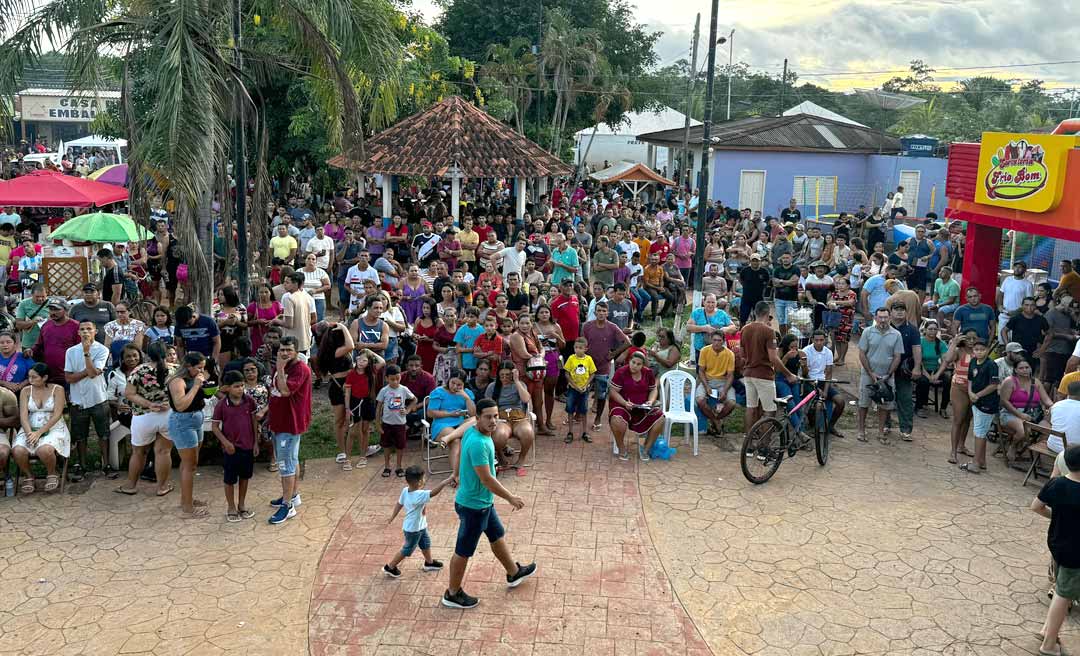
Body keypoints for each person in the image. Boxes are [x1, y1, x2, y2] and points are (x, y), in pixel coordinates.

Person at [440, 400, 536, 610]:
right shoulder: (479, 443)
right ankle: (452, 593)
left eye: (495, 416)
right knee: (463, 551)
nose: (493, 421)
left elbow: (463, 433)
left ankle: (513, 572)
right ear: (478, 418)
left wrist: (456, 472)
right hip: (474, 506)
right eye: (488, 417)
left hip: (482, 502)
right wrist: (510, 497)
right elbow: (487, 479)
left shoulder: (473, 432)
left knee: (496, 534)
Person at [1030, 445, 1080, 656]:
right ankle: (1049, 645)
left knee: (1061, 587)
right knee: (1063, 595)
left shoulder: (1056, 483)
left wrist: (1056, 517)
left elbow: (1036, 506)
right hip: (1076, 552)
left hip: (1057, 544)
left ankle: (1046, 630)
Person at [117, 342, 175, 497]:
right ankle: (162, 487)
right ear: (165, 353)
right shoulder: (175, 369)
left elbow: (129, 394)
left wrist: (149, 404)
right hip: (168, 416)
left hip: (143, 417)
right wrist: (168, 404)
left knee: (138, 452)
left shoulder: (138, 370)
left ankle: (131, 485)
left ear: (147, 354)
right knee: (163, 452)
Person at [267, 336, 313, 524]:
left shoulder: (300, 369)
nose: (285, 353)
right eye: (281, 350)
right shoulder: (282, 367)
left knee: (285, 463)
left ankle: (287, 506)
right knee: (291, 459)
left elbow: (285, 391)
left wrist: (279, 366)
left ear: (296, 351)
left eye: (289, 350)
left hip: (290, 423)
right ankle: (293, 495)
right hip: (279, 421)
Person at [383, 465, 455, 578]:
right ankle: (390, 566)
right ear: (419, 481)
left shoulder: (405, 490)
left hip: (419, 526)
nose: (425, 480)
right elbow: (434, 492)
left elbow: (399, 504)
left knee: (425, 543)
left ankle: (429, 562)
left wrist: (393, 516)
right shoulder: (419, 495)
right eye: (423, 478)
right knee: (407, 549)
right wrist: (446, 481)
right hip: (413, 529)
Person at [63, 320, 112, 481]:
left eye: (88, 329)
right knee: (80, 435)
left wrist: (86, 353)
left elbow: (93, 373)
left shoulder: (102, 349)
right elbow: (69, 377)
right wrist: (87, 370)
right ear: (78, 332)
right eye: (82, 329)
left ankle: (106, 464)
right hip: (78, 400)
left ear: (95, 331)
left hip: (98, 398)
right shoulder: (71, 351)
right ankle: (82, 466)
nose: (85, 332)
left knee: (103, 433)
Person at [742, 301, 797, 439]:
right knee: (770, 411)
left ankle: (749, 444)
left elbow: (742, 354)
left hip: (748, 374)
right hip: (764, 375)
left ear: (755, 312)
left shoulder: (745, 329)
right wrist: (788, 374)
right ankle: (764, 447)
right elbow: (773, 358)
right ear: (767, 314)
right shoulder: (769, 331)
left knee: (751, 408)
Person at [11, 364, 66, 493]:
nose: (30, 380)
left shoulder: (58, 389)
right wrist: (30, 433)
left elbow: (58, 414)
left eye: (34, 377)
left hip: (53, 425)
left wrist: (39, 432)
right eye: (29, 377)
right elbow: (23, 416)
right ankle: (28, 475)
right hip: (30, 425)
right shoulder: (25, 391)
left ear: (45, 377)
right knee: (18, 450)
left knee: (44, 450)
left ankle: (52, 473)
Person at [212, 370, 259, 522]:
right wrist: (226, 443)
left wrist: (256, 442)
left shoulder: (249, 401)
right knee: (230, 479)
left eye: (242, 385)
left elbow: (254, 421)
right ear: (227, 388)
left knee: (245, 477)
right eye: (236, 386)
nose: (240, 389)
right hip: (230, 449)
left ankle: (242, 505)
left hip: (247, 446)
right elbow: (215, 427)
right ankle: (231, 507)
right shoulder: (221, 405)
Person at [167, 352, 210, 518]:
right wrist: (196, 386)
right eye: (198, 367)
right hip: (182, 422)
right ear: (188, 367)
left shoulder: (195, 378)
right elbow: (180, 405)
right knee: (189, 465)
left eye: (203, 367)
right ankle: (187, 508)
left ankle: (187, 498)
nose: (201, 370)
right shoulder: (177, 381)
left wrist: (205, 388)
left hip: (196, 419)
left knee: (190, 463)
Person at [856, 308, 904, 444]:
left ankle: (881, 432)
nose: (883, 320)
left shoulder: (896, 334)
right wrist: (871, 373)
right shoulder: (867, 332)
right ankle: (861, 430)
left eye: (885, 317)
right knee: (863, 403)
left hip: (887, 376)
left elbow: (897, 356)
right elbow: (862, 354)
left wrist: (888, 374)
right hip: (868, 374)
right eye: (880, 317)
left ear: (890, 318)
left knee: (885, 404)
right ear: (875, 318)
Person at [608, 351, 665, 461]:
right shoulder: (621, 372)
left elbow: (653, 389)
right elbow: (613, 391)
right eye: (633, 362)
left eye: (639, 364)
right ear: (629, 361)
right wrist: (625, 403)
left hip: (641, 407)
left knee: (660, 418)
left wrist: (650, 401)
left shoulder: (647, 373)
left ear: (642, 365)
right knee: (617, 419)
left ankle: (646, 449)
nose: (635, 366)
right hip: (623, 405)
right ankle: (621, 448)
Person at [317, 310, 356, 468]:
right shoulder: (336, 352)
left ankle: (351, 448)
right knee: (340, 420)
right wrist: (343, 326)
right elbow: (351, 345)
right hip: (340, 387)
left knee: (351, 420)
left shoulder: (333, 350)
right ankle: (342, 450)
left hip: (347, 386)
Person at [998, 358, 1052, 464]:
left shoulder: (1036, 382)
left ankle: (1037, 456)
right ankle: (1013, 446)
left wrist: (1055, 407)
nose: (1024, 370)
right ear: (1016, 370)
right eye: (1021, 368)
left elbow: (1046, 400)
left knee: (1048, 431)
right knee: (1023, 431)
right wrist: (1020, 414)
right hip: (1011, 413)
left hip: (1033, 415)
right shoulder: (1009, 381)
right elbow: (1004, 401)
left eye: (1027, 367)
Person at [484, 361, 535, 472]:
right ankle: (501, 456)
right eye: (502, 375)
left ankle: (521, 459)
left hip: (518, 418)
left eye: (507, 375)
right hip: (502, 419)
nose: (504, 378)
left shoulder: (519, 384)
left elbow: (526, 399)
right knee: (499, 436)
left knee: (527, 432)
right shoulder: (493, 387)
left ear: (513, 374)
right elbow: (487, 405)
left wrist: (516, 381)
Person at [426, 369, 476, 479]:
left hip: (461, 423)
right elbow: (430, 413)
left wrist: (466, 398)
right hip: (442, 424)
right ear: (449, 380)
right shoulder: (438, 392)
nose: (455, 386)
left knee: (476, 420)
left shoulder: (466, 393)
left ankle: (448, 437)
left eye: (459, 384)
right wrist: (449, 414)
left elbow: (473, 414)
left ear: (463, 384)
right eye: (453, 383)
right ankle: (456, 475)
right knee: (456, 441)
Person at [961, 339, 999, 474]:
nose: (979, 352)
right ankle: (981, 461)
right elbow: (970, 378)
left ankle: (976, 463)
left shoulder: (991, 365)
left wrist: (979, 395)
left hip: (987, 403)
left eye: (982, 349)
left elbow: (994, 385)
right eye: (976, 349)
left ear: (987, 350)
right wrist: (971, 392)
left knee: (980, 433)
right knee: (978, 431)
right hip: (975, 401)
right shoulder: (973, 361)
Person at [342, 349, 385, 469]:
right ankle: (348, 458)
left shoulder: (371, 372)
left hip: (368, 402)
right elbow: (347, 393)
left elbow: (382, 361)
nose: (361, 362)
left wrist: (369, 351)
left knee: (365, 430)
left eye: (364, 360)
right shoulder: (351, 374)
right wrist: (347, 408)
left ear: (369, 362)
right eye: (359, 359)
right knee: (353, 431)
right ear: (356, 359)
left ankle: (363, 456)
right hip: (355, 403)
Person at [375, 363, 417, 478]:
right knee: (386, 445)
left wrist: (408, 410)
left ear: (400, 377)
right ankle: (387, 466)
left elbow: (414, 399)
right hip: (387, 423)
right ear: (387, 378)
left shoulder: (404, 389)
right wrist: (377, 424)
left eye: (397, 379)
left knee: (400, 446)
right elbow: (378, 407)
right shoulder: (384, 391)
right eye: (392, 379)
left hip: (400, 423)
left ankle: (399, 466)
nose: (395, 382)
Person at [802, 329, 846, 438]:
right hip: (809, 382)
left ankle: (831, 426)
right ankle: (814, 427)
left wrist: (825, 391)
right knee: (816, 404)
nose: (819, 342)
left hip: (823, 381)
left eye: (821, 340)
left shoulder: (828, 352)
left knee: (840, 401)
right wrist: (817, 388)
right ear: (812, 340)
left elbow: (829, 373)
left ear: (825, 340)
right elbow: (805, 374)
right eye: (816, 340)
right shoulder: (806, 351)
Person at [888, 303, 922, 442]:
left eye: (902, 309)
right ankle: (885, 425)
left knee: (905, 399)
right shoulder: (885, 326)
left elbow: (917, 349)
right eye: (896, 309)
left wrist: (917, 367)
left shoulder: (912, 330)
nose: (900, 312)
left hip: (904, 369)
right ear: (891, 312)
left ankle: (906, 429)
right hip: (886, 368)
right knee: (885, 397)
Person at [696, 331, 736, 440]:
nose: (716, 343)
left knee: (731, 403)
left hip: (723, 381)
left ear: (723, 341)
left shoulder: (729, 354)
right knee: (700, 400)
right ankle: (717, 422)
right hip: (707, 380)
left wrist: (725, 390)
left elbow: (730, 375)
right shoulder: (705, 350)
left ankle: (715, 420)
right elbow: (701, 371)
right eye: (714, 340)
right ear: (711, 340)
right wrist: (706, 386)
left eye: (719, 340)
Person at [563, 337, 596, 444]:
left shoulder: (589, 359)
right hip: (573, 389)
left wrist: (586, 385)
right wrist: (574, 386)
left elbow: (592, 373)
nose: (578, 350)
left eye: (580, 348)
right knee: (570, 410)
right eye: (576, 347)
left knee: (584, 411)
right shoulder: (571, 359)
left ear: (586, 349)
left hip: (584, 389)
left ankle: (584, 432)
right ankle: (570, 432)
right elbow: (567, 373)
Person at [915, 321, 950, 418]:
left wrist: (937, 375)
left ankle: (943, 408)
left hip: (935, 370)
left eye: (935, 329)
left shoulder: (940, 343)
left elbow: (945, 361)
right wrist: (927, 375)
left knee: (948, 380)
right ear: (925, 330)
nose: (933, 331)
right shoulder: (920, 341)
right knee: (923, 381)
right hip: (921, 369)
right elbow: (918, 360)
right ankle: (920, 407)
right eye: (930, 329)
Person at [279, 272, 317, 359]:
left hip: (291, 342)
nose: (284, 284)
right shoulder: (306, 297)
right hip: (304, 340)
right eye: (284, 282)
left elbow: (289, 324)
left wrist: (276, 321)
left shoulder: (289, 298)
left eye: (287, 282)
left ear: (295, 284)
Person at [14, 284, 50, 355]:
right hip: (29, 344)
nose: (40, 299)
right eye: (37, 296)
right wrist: (33, 321)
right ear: (32, 294)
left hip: (47, 344)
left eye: (43, 296)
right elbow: (18, 325)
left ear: (47, 294)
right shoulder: (24, 304)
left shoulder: (51, 304)